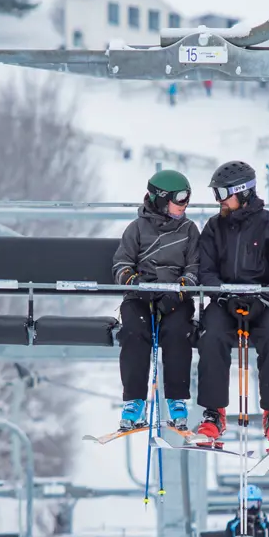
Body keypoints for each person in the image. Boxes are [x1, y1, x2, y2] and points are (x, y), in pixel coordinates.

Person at [194, 160, 269, 447]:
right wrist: (223, 296)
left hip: (266, 302)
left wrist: (265, 298)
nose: (219, 201)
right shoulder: (215, 227)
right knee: (212, 333)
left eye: (222, 194)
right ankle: (214, 412)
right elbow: (205, 270)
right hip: (225, 301)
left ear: (243, 192)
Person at [112, 169, 199, 431]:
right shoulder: (136, 229)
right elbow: (121, 265)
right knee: (134, 331)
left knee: (177, 332)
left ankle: (176, 399)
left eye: (187, 199)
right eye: (180, 199)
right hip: (141, 298)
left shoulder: (189, 230)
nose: (185, 205)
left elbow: (195, 268)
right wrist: (136, 285)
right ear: (161, 199)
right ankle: (134, 400)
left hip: (175, 299)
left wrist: (179, 292)